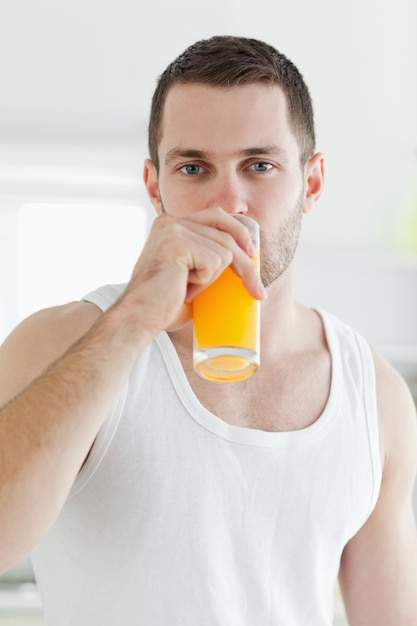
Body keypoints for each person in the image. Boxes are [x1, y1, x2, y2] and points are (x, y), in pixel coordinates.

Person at [0, 35, 416, 625]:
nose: (229, 203)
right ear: (154, 187)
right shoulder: (62, 342)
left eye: (260, 165)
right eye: (194, 167)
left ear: (312, 183)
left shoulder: (374, 395)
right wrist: (134, 319)